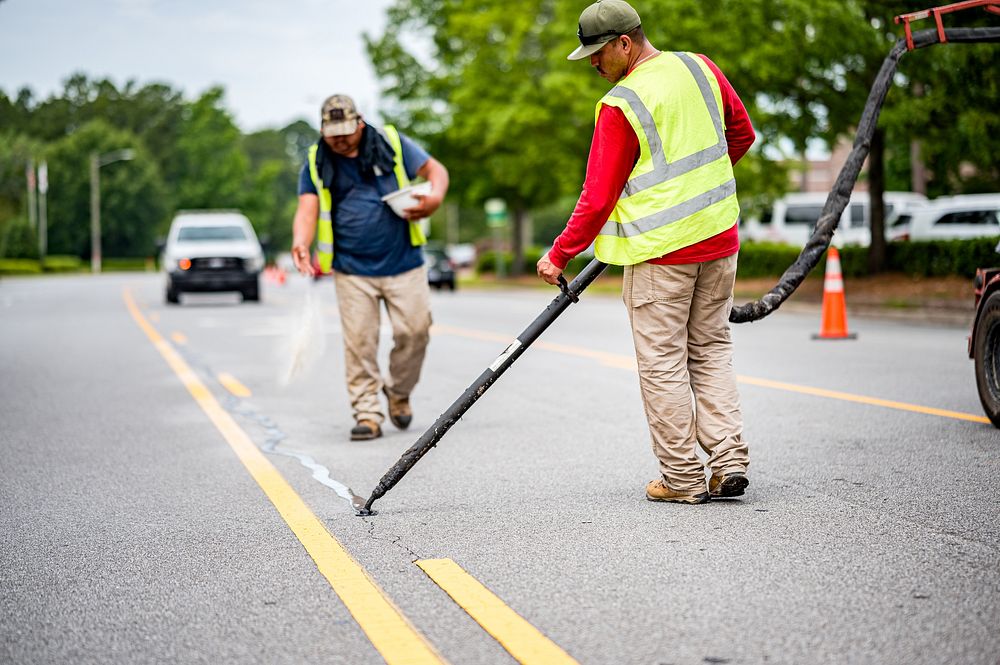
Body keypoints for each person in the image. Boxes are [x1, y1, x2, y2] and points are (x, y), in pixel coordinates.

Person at [537, 0, 755, 503]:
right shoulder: (701, 67)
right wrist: (701, 191)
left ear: (624, 44)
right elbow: (740, 135)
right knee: (711, 350)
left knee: (662, 362)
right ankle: (728, 462)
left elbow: (598, 194)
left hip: (662, 255)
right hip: (719, 239)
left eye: (597, 53)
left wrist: (560, 254)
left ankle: (682, 478)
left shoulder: (622, 103)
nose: (593, 64)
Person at [291, 94, 449, 441]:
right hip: (352, 270)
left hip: (403, 262)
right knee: (359, 343)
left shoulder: (391, 142)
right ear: (322, 130)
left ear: (360, 123)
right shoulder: (316, 160)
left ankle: (398, 392)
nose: (341, 140)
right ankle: (367, 413)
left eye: (347, 131)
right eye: (333, 134)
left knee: (416, 331)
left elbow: (435, 171)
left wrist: (434, 197)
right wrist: (301, 242)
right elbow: (307, 209)